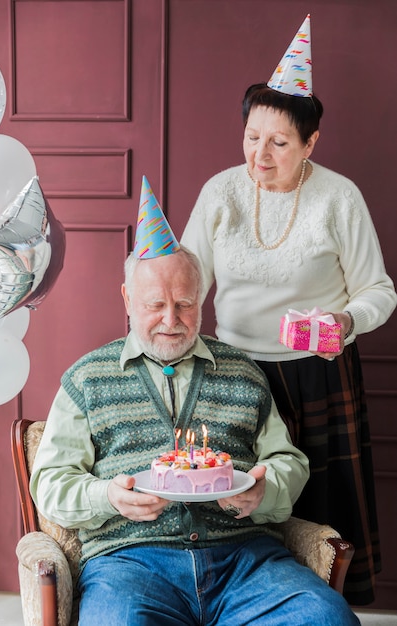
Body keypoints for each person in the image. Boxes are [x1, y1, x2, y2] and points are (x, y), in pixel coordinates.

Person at [30, 177, 360, 626]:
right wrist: (108, 496)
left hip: (246, 559)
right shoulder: (86, 378)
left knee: (326, 618)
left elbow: (287, 461)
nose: (171, 320)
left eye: (185, 304)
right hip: (132, 564)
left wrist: (263, 492)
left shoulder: (243, 373)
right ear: (128, 299)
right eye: (156, 305)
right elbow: (49, 483)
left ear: (201, 297)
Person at [181, 15, 397, 606]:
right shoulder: (221, 192)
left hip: (317, 371)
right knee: (242, 508)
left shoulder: (338, 196)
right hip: (232, 372)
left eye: (279, 142)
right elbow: (188, 281)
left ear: (311, 143)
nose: (260, 153)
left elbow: (379, 290)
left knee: (321, 513)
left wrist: (346, 322)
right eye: (252, 136)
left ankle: (320, 609)